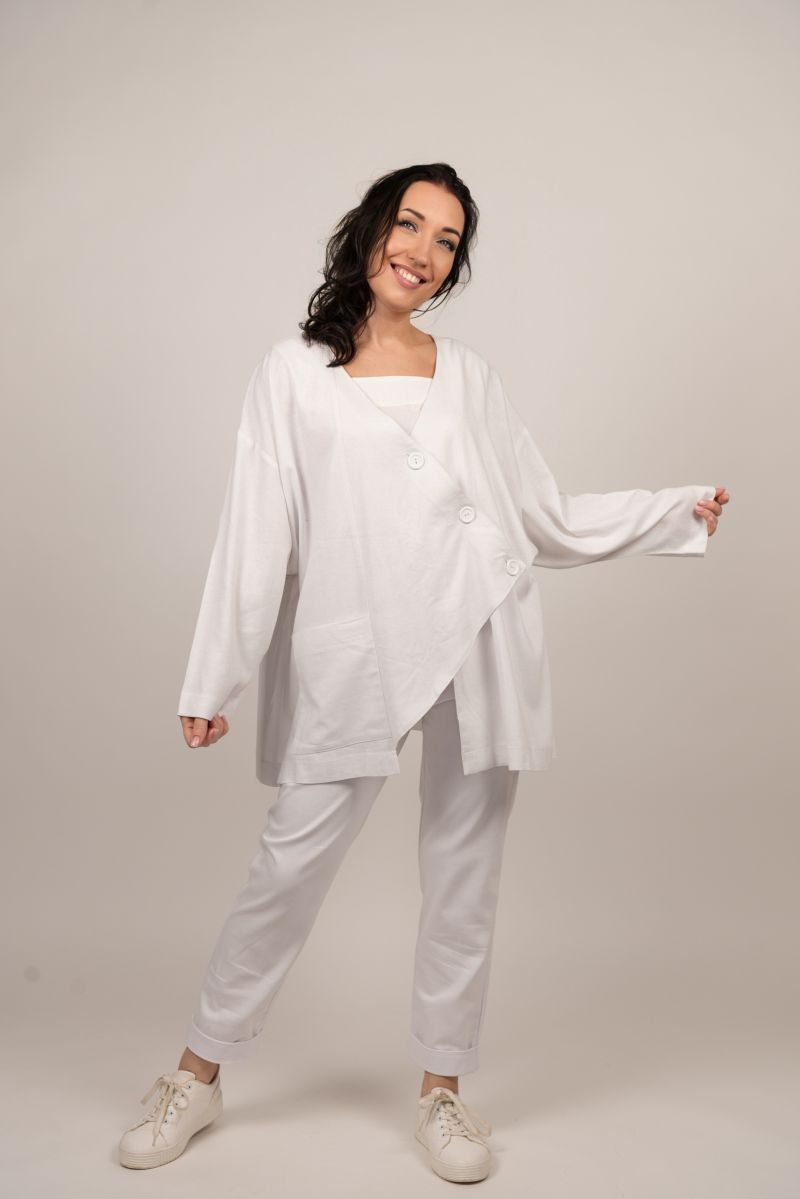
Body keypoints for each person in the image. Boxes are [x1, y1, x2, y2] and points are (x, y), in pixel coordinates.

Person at [118, 164, 728, 1182]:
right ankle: (196, 1073)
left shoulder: (470, 376)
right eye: (409, 224)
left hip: (478, 635)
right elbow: (255, 530)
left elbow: (535, 515)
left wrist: (671, 512)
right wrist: (211, 677)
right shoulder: (291, 373)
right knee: (287, 868)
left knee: (463, 875)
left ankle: (442, 1090)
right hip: (356, 648)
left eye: (447, 240)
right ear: (370, 231)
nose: (423, 251)